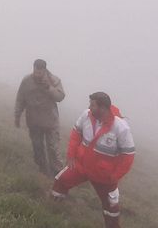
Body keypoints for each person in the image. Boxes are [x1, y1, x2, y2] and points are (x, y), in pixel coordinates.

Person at [51, 92, 135, 228]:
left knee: (111, 206)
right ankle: (54, 209)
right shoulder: (86, 115)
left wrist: (115, 176)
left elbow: (128, 155)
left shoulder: (121, 128)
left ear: (102, 108)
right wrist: (71, 155)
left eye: (92, 104)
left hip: (104, 175)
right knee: (61, 180)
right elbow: (76, 134)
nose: (89, 107)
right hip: (81, 165)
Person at [15, 59, 66, 176]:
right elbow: (20, 98)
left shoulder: (54, 80)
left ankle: (58, 174)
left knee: (53, 148)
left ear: (44, 70)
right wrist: (17, 115)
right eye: (35, 71)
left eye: (40, 72)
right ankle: (42, 170)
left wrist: (49, 88)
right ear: (33, 68)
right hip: (33, 120)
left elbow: (60, 97)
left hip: (50, 121)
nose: (37, 74)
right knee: (37, 147)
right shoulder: (27, 80)